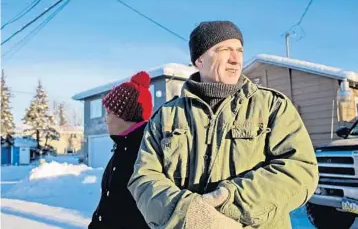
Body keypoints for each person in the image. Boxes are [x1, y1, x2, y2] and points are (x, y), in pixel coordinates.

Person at [128, 21, 319, 229]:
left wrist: (229, 199)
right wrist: (188, 213)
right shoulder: (167, 116)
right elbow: (144, 178)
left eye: (239, 50)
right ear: (199, 60)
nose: (235, 59)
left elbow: (300, 170)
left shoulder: (272, 107)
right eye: (224, 49)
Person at [88, 71, 152, 229]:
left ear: (125, 115)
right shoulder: (122, 148)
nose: (106, 119)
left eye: (109, 112)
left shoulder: (144, 154)